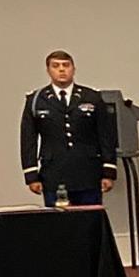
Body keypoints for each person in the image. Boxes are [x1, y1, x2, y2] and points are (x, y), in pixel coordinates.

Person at [20, 50, 117, 207]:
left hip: (87, 172)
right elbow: (28, 139)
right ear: (48, 70)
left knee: (89, 223)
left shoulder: (91, 97)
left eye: (66, 65)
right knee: (59, 227)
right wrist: (31, 175)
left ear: (74, 69)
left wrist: (109, 171)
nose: (61, 69)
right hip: (53, 173)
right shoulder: (37, 100)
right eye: (55, 66)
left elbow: (106, 135)